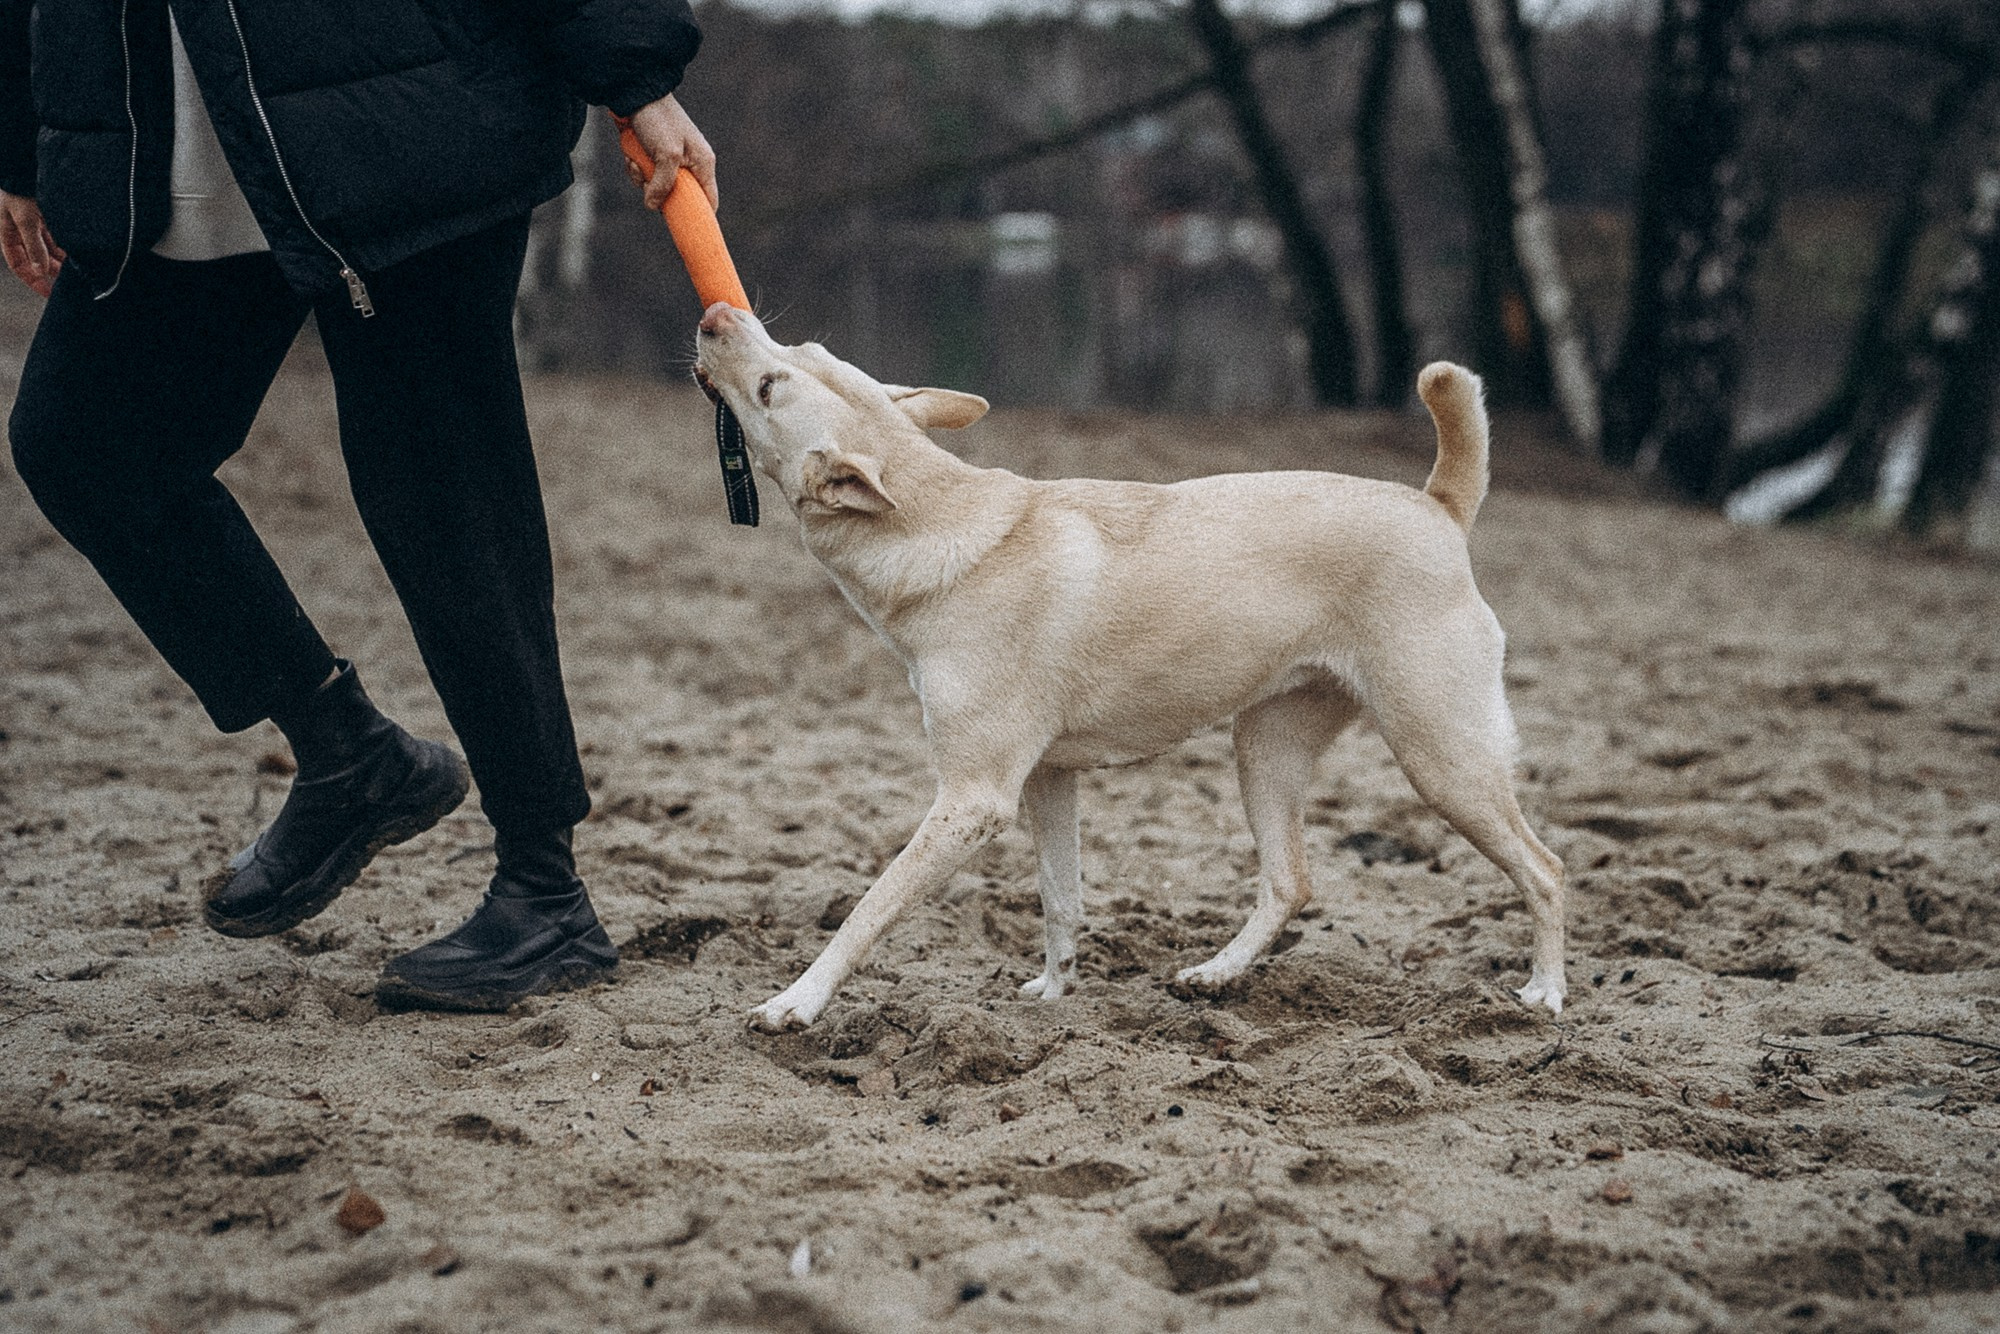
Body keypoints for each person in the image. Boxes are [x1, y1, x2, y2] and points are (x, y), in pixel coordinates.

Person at [0, 0, 715, 1011]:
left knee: (442, 486)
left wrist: (634, 71)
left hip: (398, 110)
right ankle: (349, 754)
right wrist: (23, 139)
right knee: (84, 441)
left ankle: (543, 887)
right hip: (155, 139)